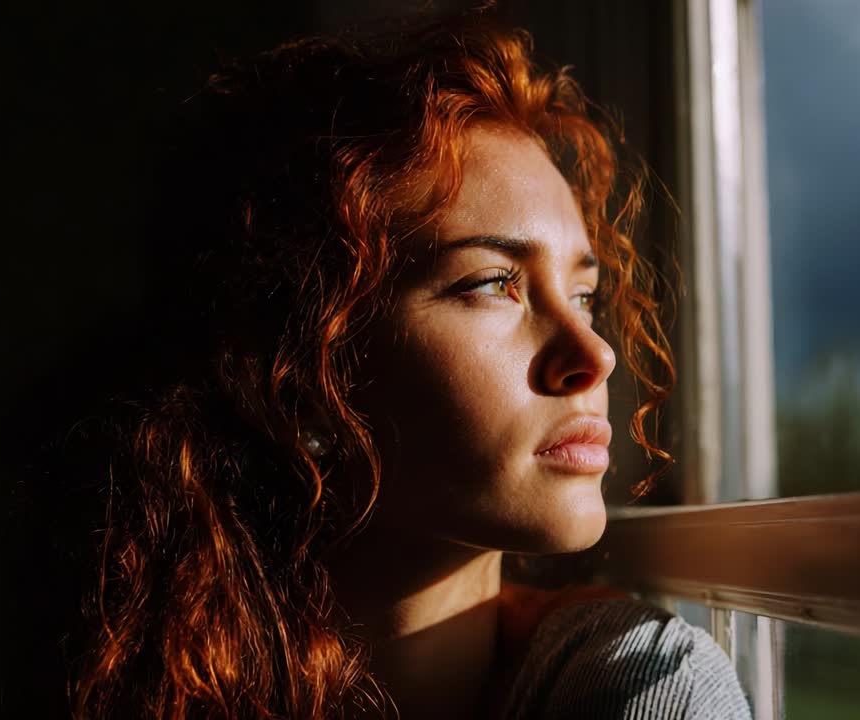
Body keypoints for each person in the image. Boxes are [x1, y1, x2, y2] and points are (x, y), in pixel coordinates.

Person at [59, 9, 750, 719]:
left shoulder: (646, 687)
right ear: (298, 380)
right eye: (493, 284)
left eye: (585, 295)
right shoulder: (125, 679)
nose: (594, 355)